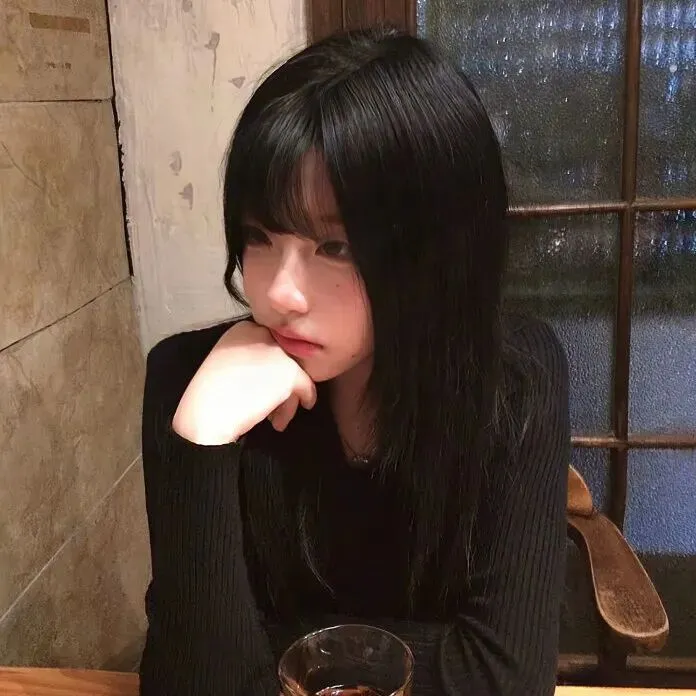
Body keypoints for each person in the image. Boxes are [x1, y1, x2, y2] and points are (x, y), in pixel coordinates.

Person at [138, 27, 570, 696]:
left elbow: (504, 678)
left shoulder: (514, 378)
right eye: (258, 236)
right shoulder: (192, 383)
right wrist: (200, 446)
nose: (278, 293)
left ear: (437, 250)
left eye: (335, 247)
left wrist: (275, 651)